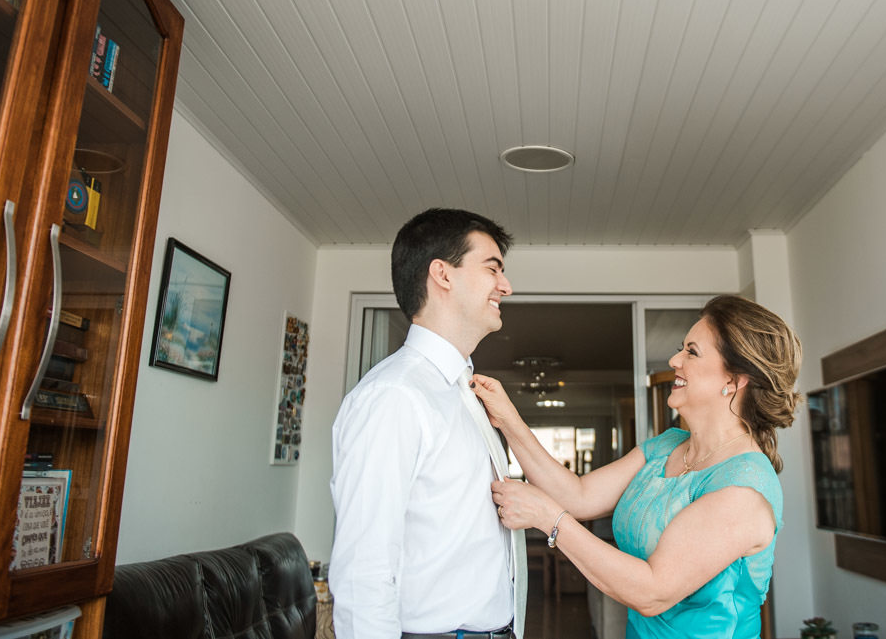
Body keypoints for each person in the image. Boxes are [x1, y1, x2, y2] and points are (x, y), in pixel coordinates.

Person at [474, 294, 801, 639]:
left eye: (692, 351)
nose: (675, 359)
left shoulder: (744, 490)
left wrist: (548, 518)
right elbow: (578, 495)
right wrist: (508, 418)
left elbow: (653, 590)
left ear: (734, 380)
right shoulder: (667, 446)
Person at [329, 208, 526, 639]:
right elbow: (364, 570)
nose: (506, 287)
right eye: (493, 268)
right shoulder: (393, 397)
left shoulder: (468, 393)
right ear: (443, 274)